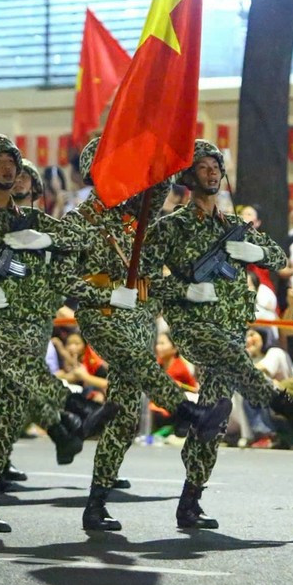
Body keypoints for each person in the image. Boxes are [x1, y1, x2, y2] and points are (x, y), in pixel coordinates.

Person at [0, 135, 104, 534]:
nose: (9, 167)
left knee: (4, 414)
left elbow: (82, 238)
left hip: (32, 324)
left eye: (13, 160)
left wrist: (48, 239)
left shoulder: (31, 220)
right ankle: (76, 407)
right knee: (20, 365)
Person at [148, 139, 293, 530]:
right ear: (188, 175)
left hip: (230, 327)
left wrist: (254, 253)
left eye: (215, 167)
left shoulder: (234, 227)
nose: (211, 173)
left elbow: (279, 258)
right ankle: (281, 404)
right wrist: (182, 290)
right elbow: (142, 281)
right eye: (203, 167)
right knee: (230, 360)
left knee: (214, 415)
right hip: (193, 325)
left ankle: (190, 500)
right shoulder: (170, 227)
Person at [70, 136, 232, 532]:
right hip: (103, 314)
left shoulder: (140, 211)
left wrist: (163, 138)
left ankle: (96, 504)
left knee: (125, 417)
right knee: (137, 362)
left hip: (139, 317)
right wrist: (108, 292)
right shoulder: (82, 220)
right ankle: (188, 410)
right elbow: (65, 282)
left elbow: (170, 171)